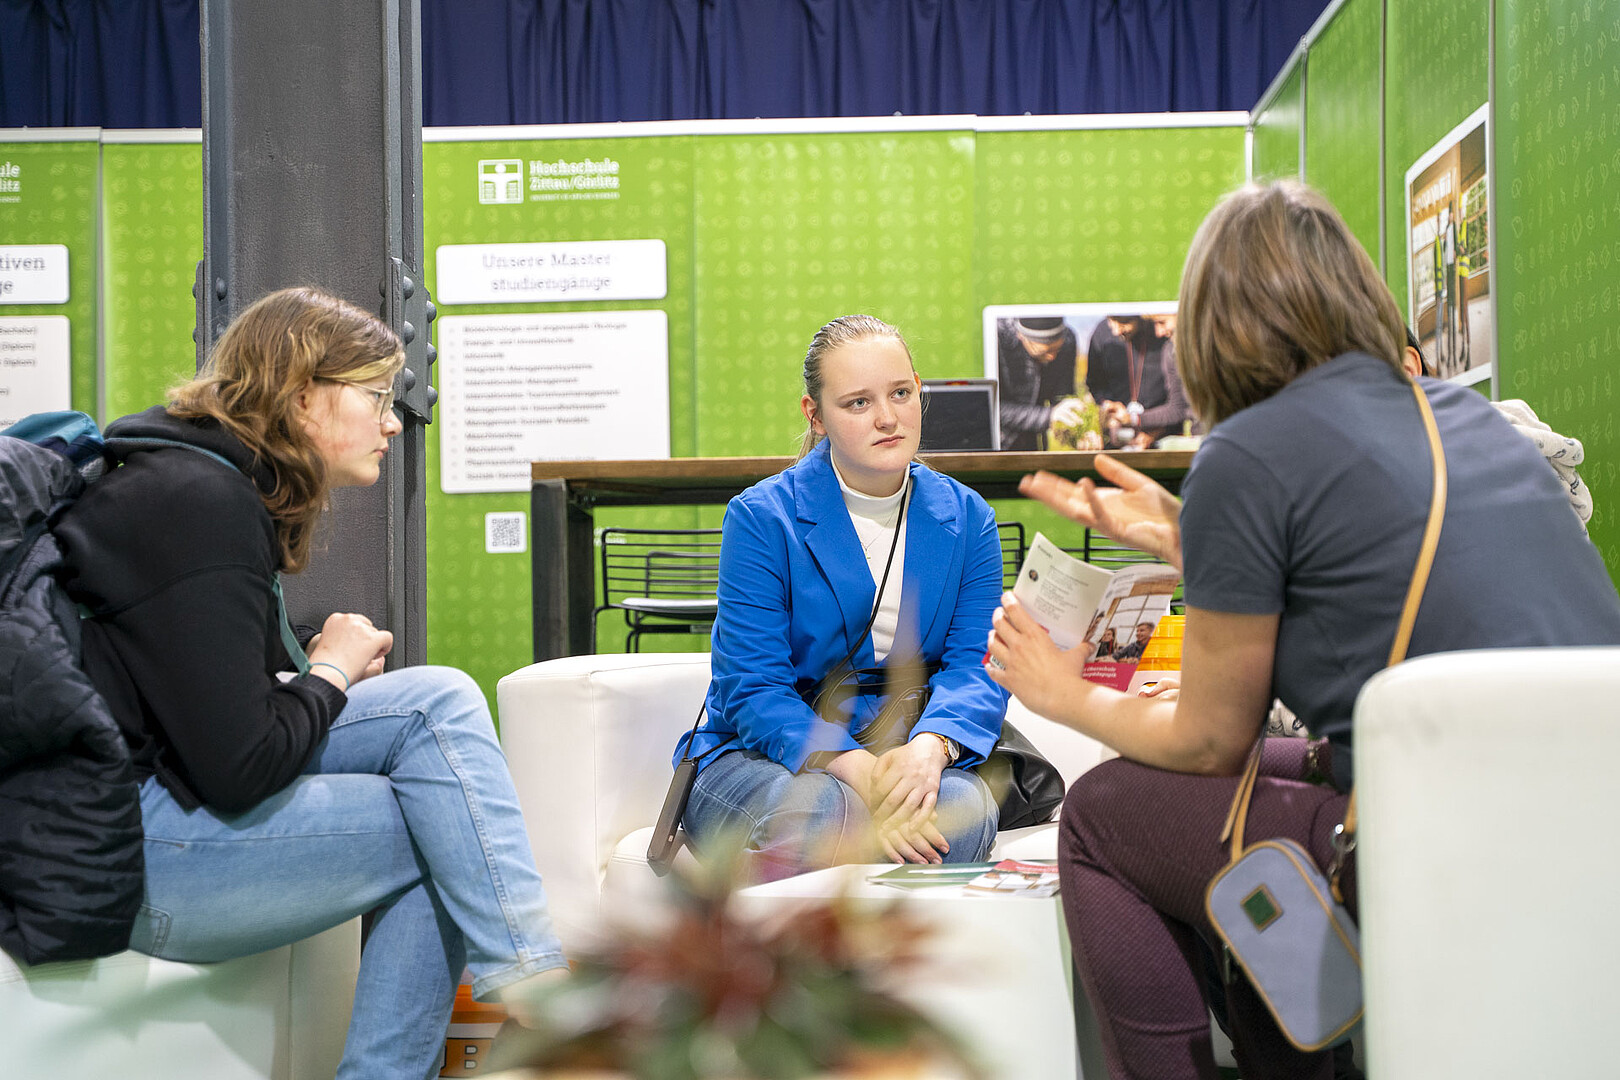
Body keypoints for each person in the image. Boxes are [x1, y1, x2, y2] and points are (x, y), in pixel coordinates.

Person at [985, 181, 1620, 1080]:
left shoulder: (1247, 454)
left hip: (1439, 840)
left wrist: (1062, 694)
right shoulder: (1466, 417)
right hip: (1582, 821)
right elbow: (1351, 574)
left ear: (1214, 326)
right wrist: (1192, 535)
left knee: (1100, 812)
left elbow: (1209, 741)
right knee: (1257, 784)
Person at [53, 287, 568, 1079]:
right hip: (134, 856)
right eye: (377, 396)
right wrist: (329, 670)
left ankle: (538, 989)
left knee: (437, 701)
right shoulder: (198, 503)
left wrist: (314, 677)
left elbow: (196, 705)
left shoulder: (187, 479)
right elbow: (239, 767)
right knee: (442, 825)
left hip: (137, 816)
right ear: (302, 396)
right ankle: (546, 1004)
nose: (394, 423)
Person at [677, 314, 1005, 878]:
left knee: (959, 809)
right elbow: (752, 688)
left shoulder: (970, 517)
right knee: (824, 810)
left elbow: (978, 663)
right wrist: (860, 771)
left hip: (906, 743)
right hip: (764, 753)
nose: (887, 418)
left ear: (918, 391)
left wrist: (931, 749)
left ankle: (884, 925)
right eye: (857, 403)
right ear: (816, 414)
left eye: (900, 393)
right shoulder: (760, 518)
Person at [1085, 313, 1192, 448]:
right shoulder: (1101, 334)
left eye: (1124, 323)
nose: (1116, 331)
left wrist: (1155, 433)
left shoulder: (1163, 332)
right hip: (1116, 435)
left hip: (1162, 435)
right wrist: (1108, 409)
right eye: (1112, 321)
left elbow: (1178, 404)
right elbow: (1095, 384)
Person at [996, 316, 1094, 450]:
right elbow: (991, 409)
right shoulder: (997, 339)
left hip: (1034, 444)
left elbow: (1062, 398)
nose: (1052, 357)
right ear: (1021, 336)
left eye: (1057, 349)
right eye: (1045, 352)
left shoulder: (1067, 341)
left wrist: (1080, 429)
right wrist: (1048, 416)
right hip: (998, 442)